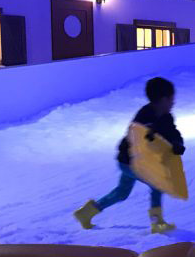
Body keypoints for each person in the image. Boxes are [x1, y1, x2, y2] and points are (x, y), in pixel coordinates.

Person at [73, 77, 185, 233]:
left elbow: (172, 132)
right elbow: (135, 140)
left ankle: (85, 213)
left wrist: (177, 143)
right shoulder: (144, 116)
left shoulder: (166, 116)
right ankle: (157, 222)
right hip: (130, 161)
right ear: (162, 99)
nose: (173, 103)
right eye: (171, 99)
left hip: (132, 162)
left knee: (122, 192)